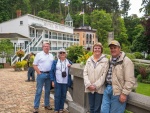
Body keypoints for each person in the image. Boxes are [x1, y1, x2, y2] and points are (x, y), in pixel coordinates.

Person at [100, 40, 136, 113]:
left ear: (119, 49)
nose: (112, 50)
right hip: (108, 89)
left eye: (114, 48)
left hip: (118, 92)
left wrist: (124, 94)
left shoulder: (126, 61)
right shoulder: (110, 59)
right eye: (111, 48)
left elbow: (130, 80)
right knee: (103, 111)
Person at [83, 42, 109, 113]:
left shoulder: (105, 61)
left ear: (101, 49)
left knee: (97, 109)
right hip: (89, 87)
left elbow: (104, 75)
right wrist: (88, 84)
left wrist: (95, 85)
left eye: (99, 48)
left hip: (99, 88)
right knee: (91, 107)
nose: (97, 49)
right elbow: (85, 73)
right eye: (95, 48)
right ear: (93, 49)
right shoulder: (89, 60)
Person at [33, 41, 54, 113]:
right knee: (39, 91)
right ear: (42, 47)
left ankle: (47, 104)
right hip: (41, 74)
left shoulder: (51, 55)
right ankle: (36, 107)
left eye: (48, 46)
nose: (47, 47)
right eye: (45, 46)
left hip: (49, 75)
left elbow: (53, 66)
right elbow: (34, 65)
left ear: (49, 47)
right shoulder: (39, 55)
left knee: (48, 91)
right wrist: (39, 73)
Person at [50, 48, 72, 113]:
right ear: (58, 54)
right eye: (61, 53)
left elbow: (73, 68)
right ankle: (56, 109)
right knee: (57, 95)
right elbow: (51, 71)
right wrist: (52, 80)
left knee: (63, 95)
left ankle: (61, 108)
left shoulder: (69, 62)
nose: (62, 54)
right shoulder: (55, 62)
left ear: (65, 54)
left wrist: (70, 66)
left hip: (65, 82)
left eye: (63, 53)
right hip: (57, 81)